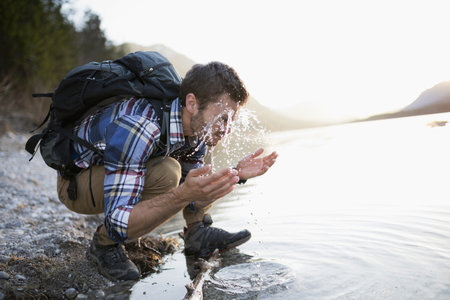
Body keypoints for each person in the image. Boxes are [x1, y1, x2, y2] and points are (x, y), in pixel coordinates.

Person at [56, 61, 278, 281]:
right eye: (223, 118)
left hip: (116, 170)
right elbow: (118, 222)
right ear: (192, 103)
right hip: (76, 183)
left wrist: (235, 173)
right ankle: (103, 245)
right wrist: (183, 194)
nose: (227, 129)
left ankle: (197, 234)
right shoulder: (142, 127)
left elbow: (193, 198)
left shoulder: (197, 129)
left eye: (232, 120)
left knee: (187, 171)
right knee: (168, 173)